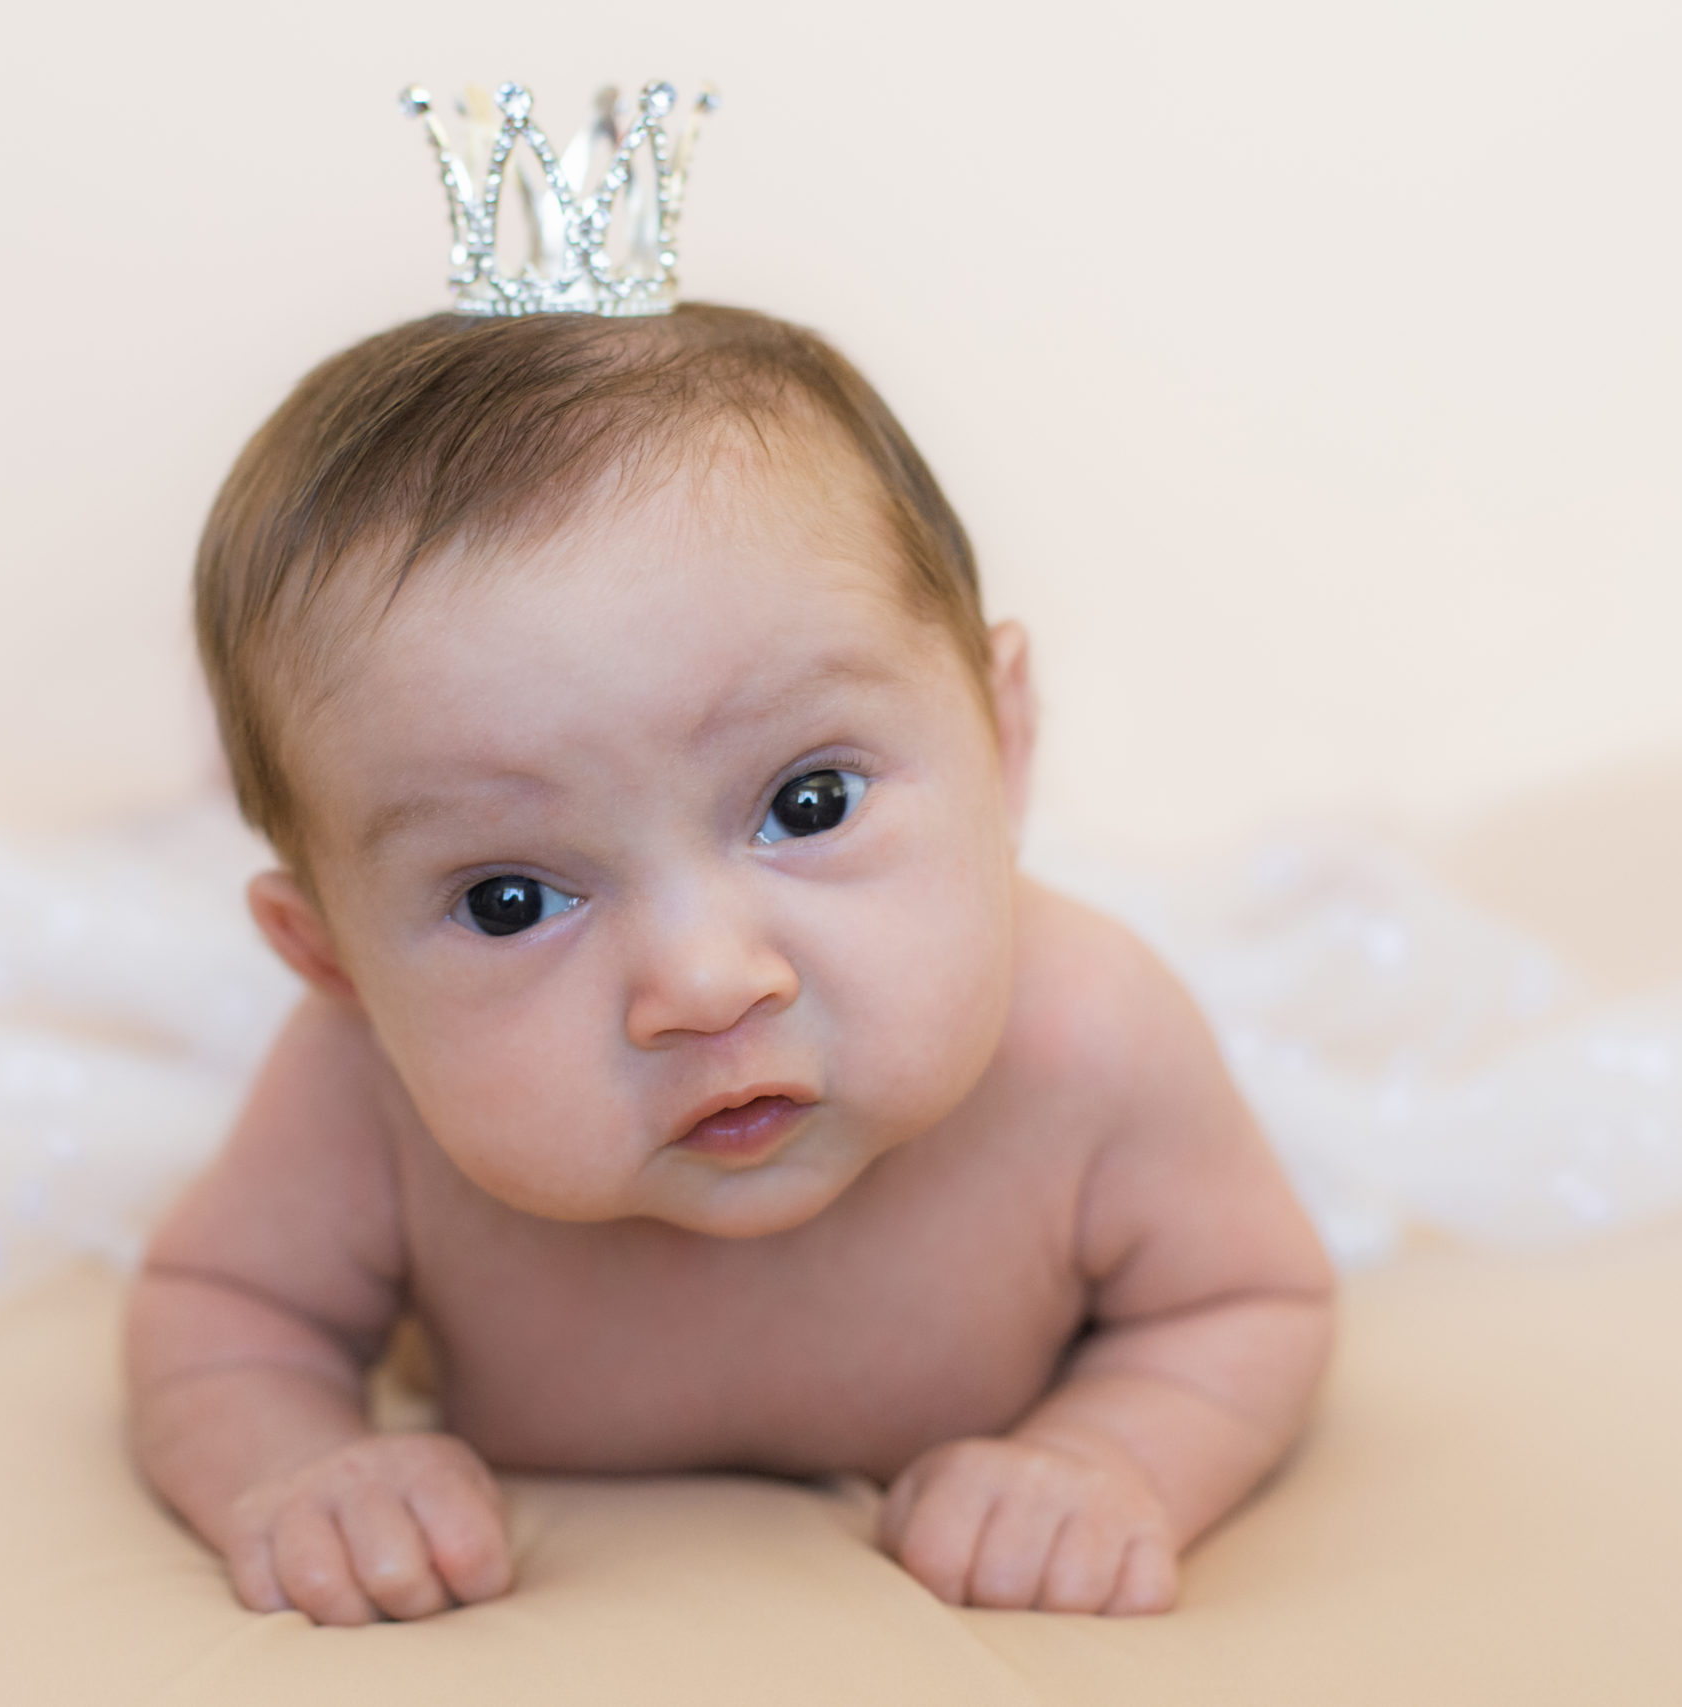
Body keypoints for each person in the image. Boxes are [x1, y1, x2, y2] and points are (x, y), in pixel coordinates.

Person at [122, 300, 1336, 1625]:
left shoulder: (1090, 1039)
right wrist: (295, 1466)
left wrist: (1110, 1458)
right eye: (512, 898)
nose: (706, 983)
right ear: (334, 963)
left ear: (1003, 742)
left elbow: (1246, 1299)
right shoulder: (364, 1091)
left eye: (809, 805)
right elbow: (222, 1307)